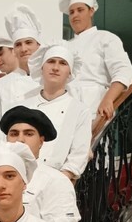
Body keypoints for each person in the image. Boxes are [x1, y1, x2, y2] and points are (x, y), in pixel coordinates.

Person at [60, 0, 132, 126]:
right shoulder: (65, 46)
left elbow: (123, 71)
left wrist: (108, 99)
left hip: (95, 108)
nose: (75, 15)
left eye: (80, 10)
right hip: (67, 110)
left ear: (91, 11)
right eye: (71, 12)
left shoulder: (105, 38)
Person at [23, 42, 92, 182]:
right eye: (51, 61)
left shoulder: (80, 110)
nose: (55, 67)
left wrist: (61, 180)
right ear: (41, 67)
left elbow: (79, 153)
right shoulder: (24, 106)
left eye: (63, 63)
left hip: (58, 179)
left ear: (70, 72)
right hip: (23, 177)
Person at [0, 3, 41, 150]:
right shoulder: (0, 85)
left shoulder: (50, 80)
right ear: (14, 49)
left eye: (28, 42)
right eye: (18, 44)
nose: (24, 48)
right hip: (8, 156)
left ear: (38, 46)